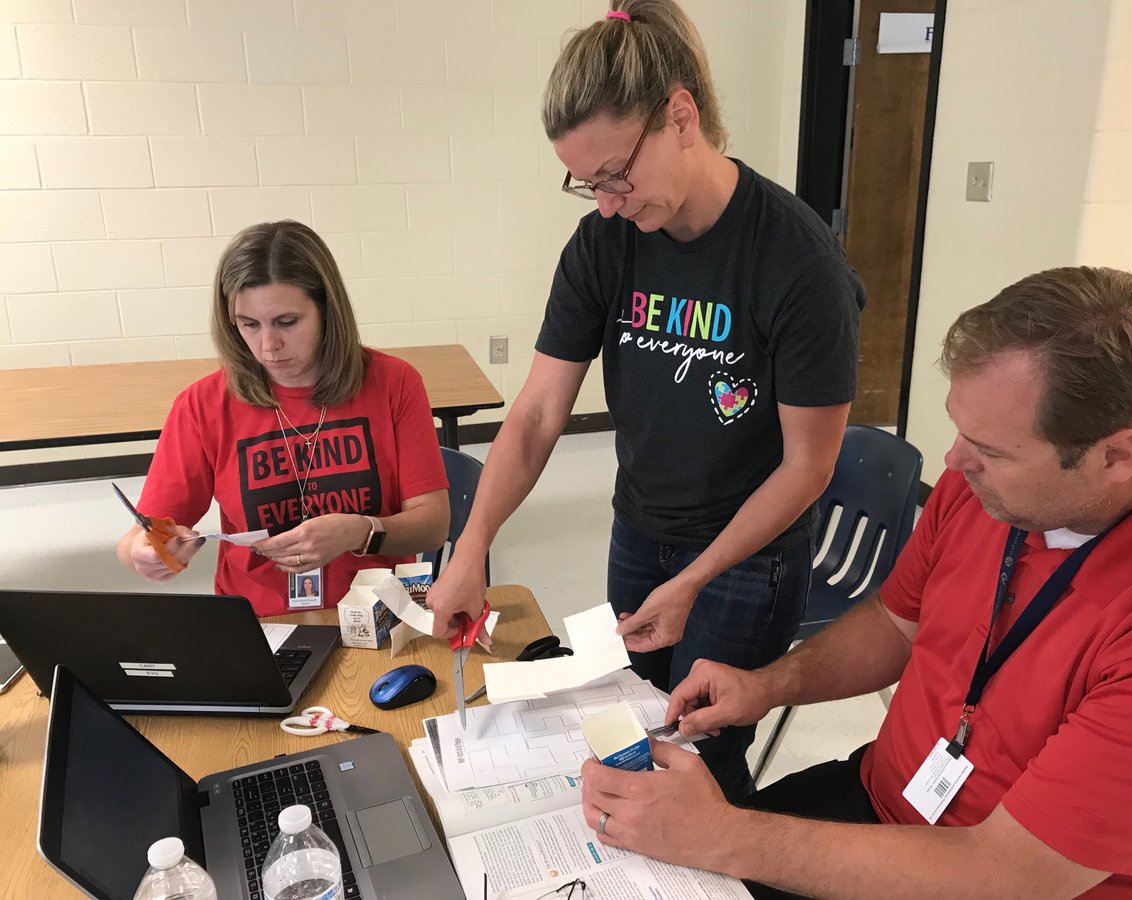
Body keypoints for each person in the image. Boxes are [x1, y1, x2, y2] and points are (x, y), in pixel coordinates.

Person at [578, 266, 1132, 898]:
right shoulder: (989, 490)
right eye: (960, 429)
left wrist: (719, 834)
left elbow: (1012, 875)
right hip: (885, 800)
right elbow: (895, 624)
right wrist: (768, 685)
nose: (954, 462)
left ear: (1117, 456)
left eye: (993, 451)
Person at [427, 0, 865, 801]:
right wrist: (470, 547)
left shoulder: (797, 263)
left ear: (681, 117)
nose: (606, 202)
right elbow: (536, 415)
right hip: (640, 530)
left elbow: (807, 467)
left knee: (700, 764)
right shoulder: (606, 242)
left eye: (615, 175)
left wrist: (696, 577)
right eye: (586, 184)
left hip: (747, 559)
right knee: (632, 734)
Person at [118, 221, 450, 617]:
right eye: (249, 325)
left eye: (287, 322)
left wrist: (359, 531)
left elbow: (433, 525)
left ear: (326, 311)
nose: (267, 347)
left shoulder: (394, 383)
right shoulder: (201, 405)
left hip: (378, 613)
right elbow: (140, 537)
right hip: (261, 620)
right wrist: (143, 552)